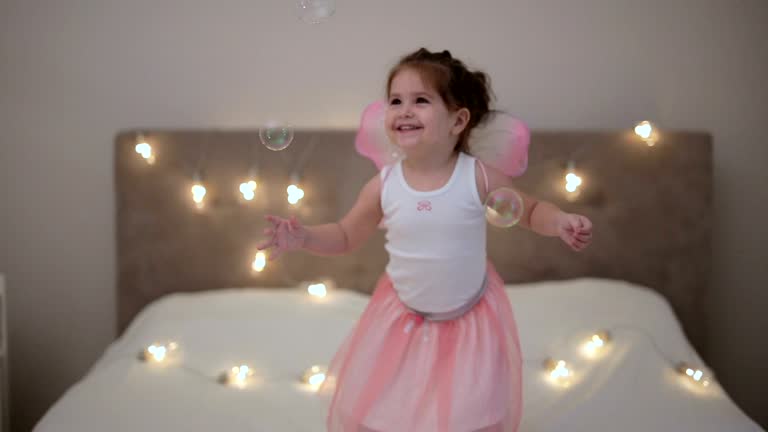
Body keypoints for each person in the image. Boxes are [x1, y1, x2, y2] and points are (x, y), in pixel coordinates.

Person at [256, 48, 593, 432]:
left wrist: (561, 220)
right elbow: (347, 234)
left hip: (469, 319)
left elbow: (530, 211)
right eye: (396, 101)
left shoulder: (477, 176)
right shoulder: (384, 185)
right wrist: (304, 237)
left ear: (457, 120)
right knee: (392, 406)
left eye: (421, 100)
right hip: (403, 317)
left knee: (468, 411)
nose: (405, 110)